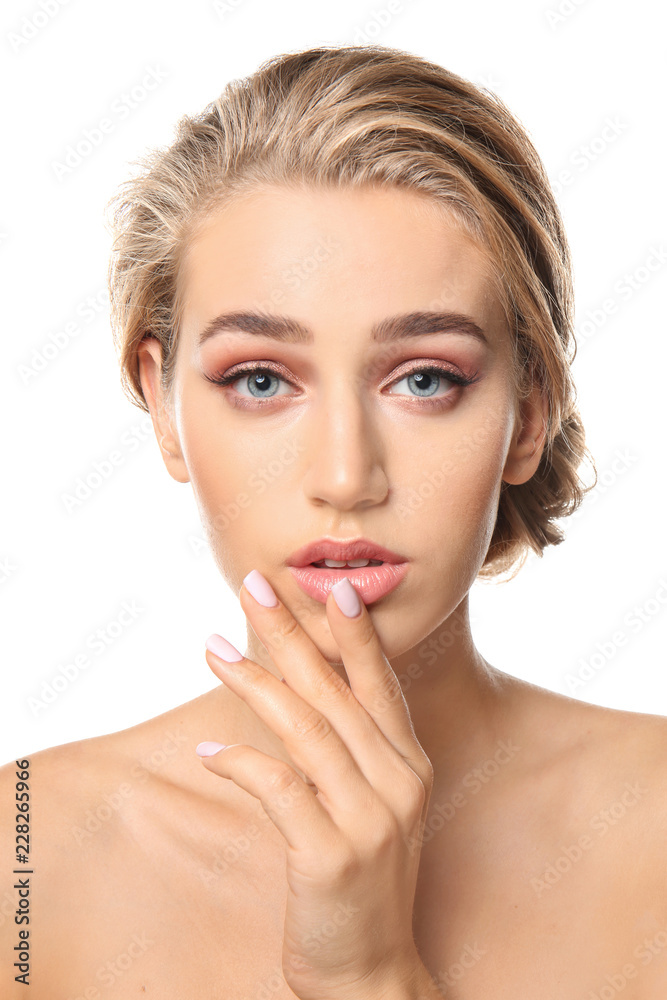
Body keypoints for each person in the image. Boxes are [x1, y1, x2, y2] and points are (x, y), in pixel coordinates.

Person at [2, 42, 666, 1000]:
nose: (346, 477)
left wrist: (370, 977)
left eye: (425, 379)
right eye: (261, 381)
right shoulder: (19, 857)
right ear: (162, 407)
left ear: (526, 414)